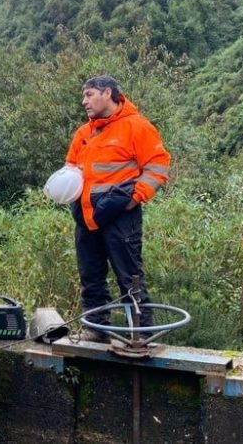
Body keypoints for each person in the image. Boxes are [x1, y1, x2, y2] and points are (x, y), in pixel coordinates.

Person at [65, 75, 170, 343]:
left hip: (121, 216)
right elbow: (70, 168)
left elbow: (158, 165)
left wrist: (136, 197)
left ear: (107, 93)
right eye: (84, 96)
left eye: (89, 95)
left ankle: (141, 332)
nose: (84, 101)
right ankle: (97, 328)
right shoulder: (84, 133)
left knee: (130, 276)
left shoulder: (136, 126)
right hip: (86, 215)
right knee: (91, 275)